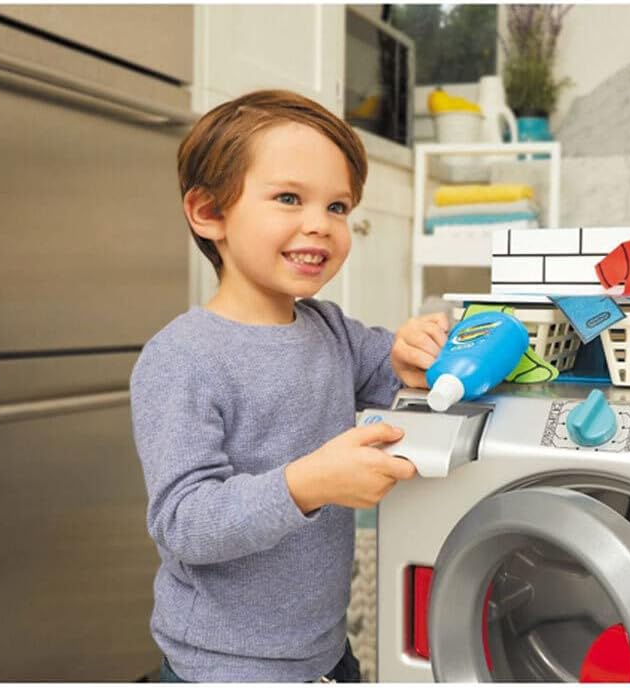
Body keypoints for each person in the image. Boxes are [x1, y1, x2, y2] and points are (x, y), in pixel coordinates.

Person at [129, 89, 449, 682]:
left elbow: (393, 372)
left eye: (337, 207)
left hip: (324, 649)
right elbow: (184, 521)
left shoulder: (327, 328)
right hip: (223, 668)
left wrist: (415, 350)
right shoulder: (182, 358)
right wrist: (308, 484)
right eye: (288, 198)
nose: (320, 225)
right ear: (208, 213)